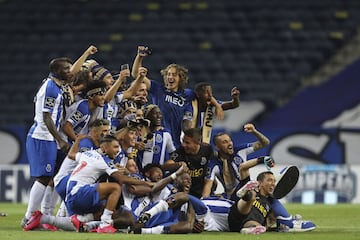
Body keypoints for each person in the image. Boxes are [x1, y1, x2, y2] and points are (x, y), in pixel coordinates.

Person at [21, 46, 97, 228]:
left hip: (48, 137)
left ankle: (45, 215)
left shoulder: (58, 84)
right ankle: (29, 216)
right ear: (56, 71)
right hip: (43, 136)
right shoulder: (51, 89)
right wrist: (60, 139)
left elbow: (74, 72)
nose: (70, 72)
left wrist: (86, 54)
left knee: (53, 176)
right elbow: (47, 117)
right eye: (66, 69)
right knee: (43, 177)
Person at [132, 46, 224, 148]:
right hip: (157, 139)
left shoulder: (188, 94)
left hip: (176, 142)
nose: (170, 77)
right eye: (168, 74)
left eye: (174, 75)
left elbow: (205, 96)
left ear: (180, 78)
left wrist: (218, 106)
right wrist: (139, 57)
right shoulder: (158, 89)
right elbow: (136, 75)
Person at [202, 123, 270, 199]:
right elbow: (207, 188)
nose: (229, 144)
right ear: (217, 147)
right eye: (224, 142)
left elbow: (265, 143)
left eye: (230, 141)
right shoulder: (213, 164)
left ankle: (248, 189)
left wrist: (254, 131)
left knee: (243, 168)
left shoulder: (240, 151)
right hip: (232, 195)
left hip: (248, 189)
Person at [163, 128, 213, 198]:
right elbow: (165, 166)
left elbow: (211, 171)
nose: (183, 145)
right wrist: (177, 164)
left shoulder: (207, 150)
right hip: (184, 191)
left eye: (187, 143)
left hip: (200, 190)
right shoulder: (181, 151)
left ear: (197, 142)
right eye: (183, 141)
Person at [136, 104, 176, 171]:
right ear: (147, 116)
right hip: (141, 173)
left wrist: (168, 164)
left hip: (158, 175)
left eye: (160, 113)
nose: (158, 116)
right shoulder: (138, 132)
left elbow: (172, 152)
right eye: (155, 113)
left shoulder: (165, 134)